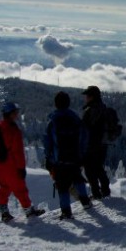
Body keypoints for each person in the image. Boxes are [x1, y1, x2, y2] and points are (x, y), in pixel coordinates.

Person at [0, 102, 45, 222]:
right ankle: (29, 211)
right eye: (15, 112)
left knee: (4, 188)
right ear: (10, 114)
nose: (17, 114)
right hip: (11, 165)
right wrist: (21, 168)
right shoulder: (14, 130)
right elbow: (18, 152)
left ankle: (4, 212)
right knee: (20, 189)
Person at [44, 91, 93, 220]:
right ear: (68, 103)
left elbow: (48, 142)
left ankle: (66, 211)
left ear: (56, 104)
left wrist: (48, 158)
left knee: (62, 186)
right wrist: (82, 155)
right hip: (75, 158)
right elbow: (84, 138)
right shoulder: (76, 119)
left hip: (59, 160)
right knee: (77, 179)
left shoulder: (52, 121)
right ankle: (86, 201)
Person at [81, 85, 111, 199]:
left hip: (92, 144)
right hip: (103, 143)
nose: (86, 98)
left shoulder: (90, 110)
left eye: (87, 95)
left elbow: (84, 129)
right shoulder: (103, 108)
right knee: (98, 167)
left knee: (89, 169)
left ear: (92, 97)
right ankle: (105, 190)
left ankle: (96, 193)